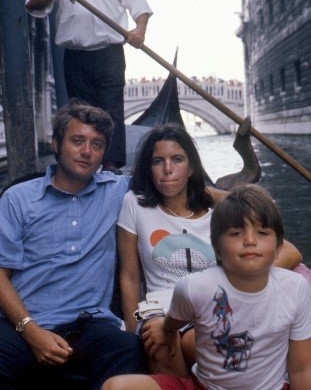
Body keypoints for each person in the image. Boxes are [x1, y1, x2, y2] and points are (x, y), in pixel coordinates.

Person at [0, 99, 147, 390]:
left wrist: (226, 198)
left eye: (97, 144)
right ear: (56, 143)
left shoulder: (117, 191)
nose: (87, 151)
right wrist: (30, 330)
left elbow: (174, 185)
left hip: (88, 323)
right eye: (77, 141)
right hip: (14, 322)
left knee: (130, 352)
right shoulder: (18, 198)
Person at [116, 124, 302, 375]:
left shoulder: (218, 214)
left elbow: (290, 252)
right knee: (156, 339)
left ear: (192, 168)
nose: (168, 169)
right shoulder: (134, 204)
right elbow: (129, 276)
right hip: (162, 308)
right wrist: (131, 329)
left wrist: (215, 195)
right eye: (158, 161)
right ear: (149, 169)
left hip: (211, 304)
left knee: (198, 342)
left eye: (177, 160)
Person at [102, 184, 311, 390]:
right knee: (115, 386)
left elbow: (301, 370)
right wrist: (163, 329)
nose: (249, 241)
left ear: (278, 245)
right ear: (217, 249)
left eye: (262, 233)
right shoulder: (195, 287)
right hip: (203, 385)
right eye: (237, 233)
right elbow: (171, 324)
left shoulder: (295, 288)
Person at [25, 0, 153, 173]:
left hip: (110, 54)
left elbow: (140, 7)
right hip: (76, 55)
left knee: (111, 110)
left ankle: (111, 166)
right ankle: (81, 166)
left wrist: (139, 31)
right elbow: (32, 4)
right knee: (80, 114)